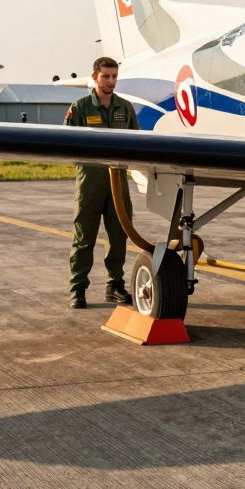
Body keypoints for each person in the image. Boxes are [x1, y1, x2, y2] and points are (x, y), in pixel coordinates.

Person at [64, 56, 140, 309]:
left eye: (114, 76)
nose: (111, 81)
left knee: (119, 236)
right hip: (90, 183)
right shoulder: (80, 107)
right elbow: (65, 142)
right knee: (84, 238)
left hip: (118, 183)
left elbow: (136, 142)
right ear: (95, 77)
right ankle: (78, 290)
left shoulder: (125, 108)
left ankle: (114, 286)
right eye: (106, 76)